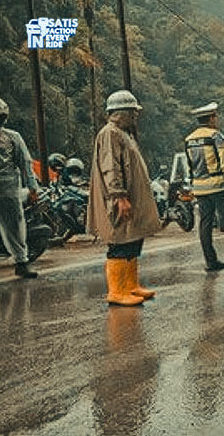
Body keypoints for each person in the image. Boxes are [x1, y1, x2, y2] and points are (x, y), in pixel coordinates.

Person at [87, 90, 159, 306]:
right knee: (119, 242)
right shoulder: (110, 133)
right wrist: (119, 196)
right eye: (132, 112)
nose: (136, 116)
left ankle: (130, 285)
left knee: (132, 239)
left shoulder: (123, 133)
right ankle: (117, 290)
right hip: (118, 199)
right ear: (121, 112)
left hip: (130, 198)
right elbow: (112, 168)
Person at [184, 102, 224, 272]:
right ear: (211, 118)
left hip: (199, 188)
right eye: (215, 116)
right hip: (218, 186)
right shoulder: (216, 136)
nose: (217, 119)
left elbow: (191, 166)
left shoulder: (189, 139)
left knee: (205, 224)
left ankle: (211, 262)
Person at [0, 95, 40, 278]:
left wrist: (32, 187)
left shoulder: (13, 137)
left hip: (8, 190)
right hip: (8, 189)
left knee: (14, 227)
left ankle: (21, 262)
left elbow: (25, 163)